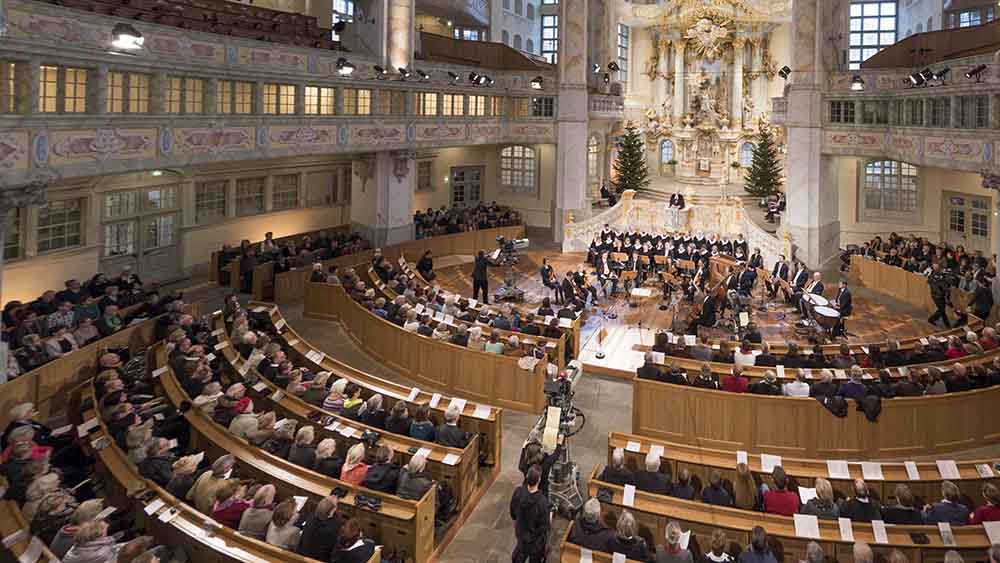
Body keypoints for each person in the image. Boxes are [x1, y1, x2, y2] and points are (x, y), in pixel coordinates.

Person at [509, 465, 551, 563]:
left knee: (520, 554)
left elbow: (513, 513)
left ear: (527, 476)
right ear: (539, 480)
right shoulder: (542, 502)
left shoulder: (518, 492)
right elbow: (544, 526)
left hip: (521, 534)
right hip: (535, 540)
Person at [297, 495, 343, 560]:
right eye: (335, 508)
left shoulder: (311, 518)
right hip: (318, 559)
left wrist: (328, 503)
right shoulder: (334, 527)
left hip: (302, 554)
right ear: (330, 513)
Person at [927, 262, 952, 328]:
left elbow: (948, 284)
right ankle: (932, 319)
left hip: (941, 295)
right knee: (942, 310)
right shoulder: (934, 276)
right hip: (936, 295)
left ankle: (946, 325)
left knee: (942, 310)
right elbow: (930, 281)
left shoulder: (943, 275)